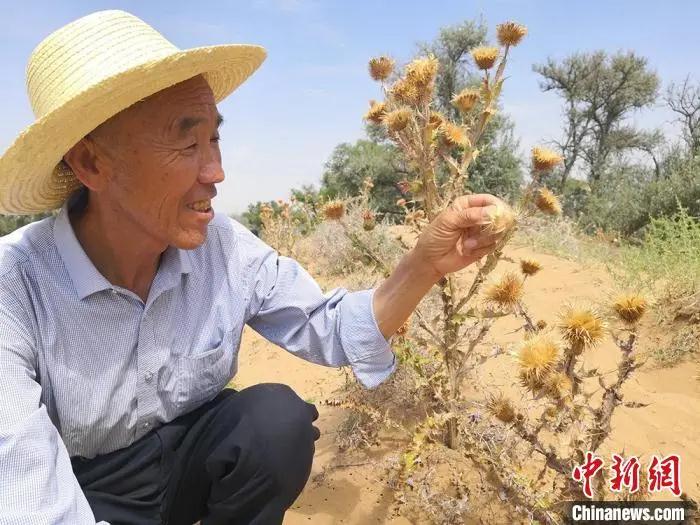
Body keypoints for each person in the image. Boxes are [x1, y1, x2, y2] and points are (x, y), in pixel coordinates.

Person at [0, 9, 506, 525]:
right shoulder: (14, 288)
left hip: (185, 467)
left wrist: (423, 264)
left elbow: (328, 327)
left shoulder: (222, 247)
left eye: (214, 139)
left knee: (273, 424)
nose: (216, 172)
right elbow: (27, 494)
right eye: (187, 144)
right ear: (91, 164)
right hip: (79, 493)